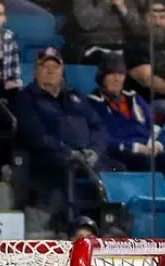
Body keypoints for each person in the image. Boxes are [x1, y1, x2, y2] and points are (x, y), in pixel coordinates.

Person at [16, 48, 114, 229]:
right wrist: (69, 153)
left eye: (55, 66)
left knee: (117, 170)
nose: (51, 70)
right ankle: (70, 225)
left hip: (87, 158)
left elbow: (98, 127)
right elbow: (36, 135)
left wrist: (95, 150)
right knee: (67, 172)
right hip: (52, 160)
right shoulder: (26, 98)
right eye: (45, 66)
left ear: (62, 71)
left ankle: (113, 228)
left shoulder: (75, 95)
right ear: (35, 71)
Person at [88, 53, 165, 188]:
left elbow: (155, 128)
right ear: (102, 77)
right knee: (146, 162)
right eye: (112, 74)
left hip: (147, 150)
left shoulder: (134, 98)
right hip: (119, 154)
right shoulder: (93, 103)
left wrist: (156, 143)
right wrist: (135, 148)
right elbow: (101, 139)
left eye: (121, 74)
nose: (117, 79)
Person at [65, 0, 145, 64]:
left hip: (124, 47)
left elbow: (138, 29)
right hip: (94, 46)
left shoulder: (129, 2)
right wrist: (106, 3)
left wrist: (123, 8)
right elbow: (87, 23)